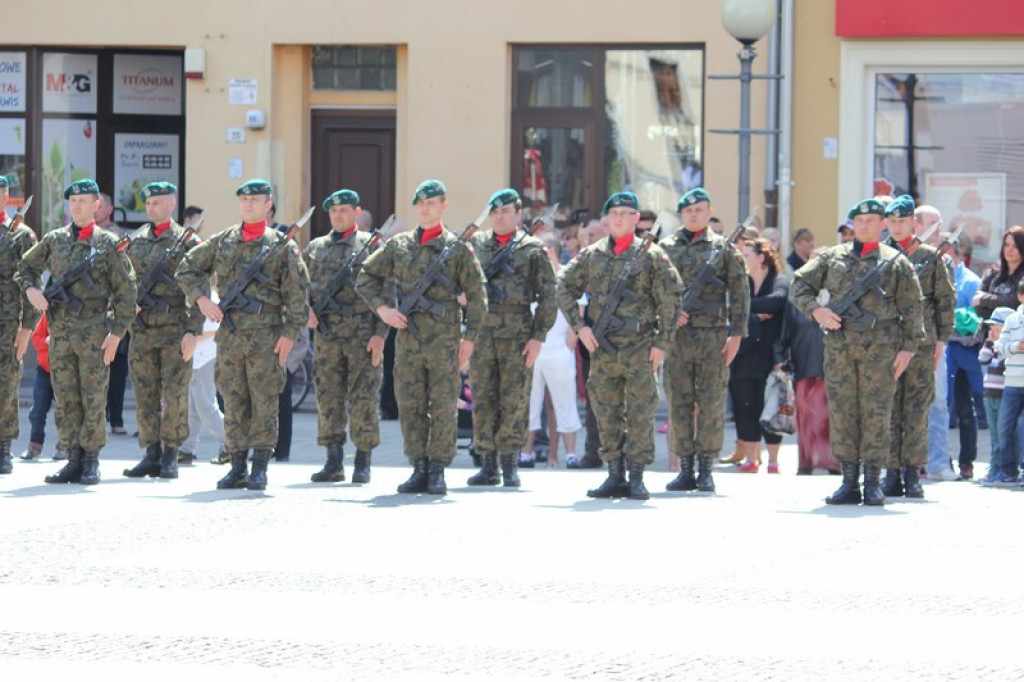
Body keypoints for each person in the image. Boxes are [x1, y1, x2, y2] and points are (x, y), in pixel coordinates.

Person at [175, 179, 309, 491]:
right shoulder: (223, 241)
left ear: (268, 205)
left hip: (267, 337)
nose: (248, 205)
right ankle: (237, 466)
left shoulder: (282, 246)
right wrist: (202, 300)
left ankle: (259, 467)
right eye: (244, 200)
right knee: (233, 401)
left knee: (264, 402)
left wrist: (289, 335)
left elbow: (297, 296)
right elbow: (187, 268)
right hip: (231, 337)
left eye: (255, 200)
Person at [355, 179, 487, 496]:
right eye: (421, 204)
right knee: (410, 405)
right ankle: (419, 467)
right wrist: (383, 310)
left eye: (431, 203)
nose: (425, 209)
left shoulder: (457, 249)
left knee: (442, 406)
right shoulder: (399, 246)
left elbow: (477, 296)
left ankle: (438, 469)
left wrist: (469, 339)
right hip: (409, 340)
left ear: (443, 205)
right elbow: (366, 277)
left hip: (445, 341)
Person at [790, 198, 923, 506]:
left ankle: (873, 482)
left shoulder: (896, 261)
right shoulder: (832, 257)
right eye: (859, 221)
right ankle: (849, 481)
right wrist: (817, 311)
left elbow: (912, 308)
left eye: (871, 221)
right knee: (843, 413)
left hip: (881, 349)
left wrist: (908, 348)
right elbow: (799, 286)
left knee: (877, 413)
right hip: (840, 347)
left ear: (882, 224)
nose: (864, 226)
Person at [555, 191, 681, 500]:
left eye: (626, 213)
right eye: (614, 214)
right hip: (603, 347)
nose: (619, 219)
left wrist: (662, 343)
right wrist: (580, 326)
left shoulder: (652, 255)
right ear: (606, 219)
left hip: (640, 346)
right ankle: (614, 474)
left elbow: (671, 301)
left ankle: (636, 476)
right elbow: (563, 286)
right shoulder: (592, 254)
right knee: (606, 411)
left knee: (640, 411)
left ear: (636, 219)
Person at [17, 179, 137, 485]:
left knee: (93, 399)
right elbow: (26, 267)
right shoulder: (55, 239)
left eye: (84, 201)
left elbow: (126, 291)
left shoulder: (109, 244)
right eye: (73, 201)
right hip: (60, 335)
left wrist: (116, 334)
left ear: (97, 205)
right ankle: (72, 459)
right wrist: (31, 290)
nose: (78, 206)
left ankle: (91, 461)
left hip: (95, 336)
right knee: (66, 398)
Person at [659, 188, 749, 492]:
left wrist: (737, 335)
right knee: (679, 402)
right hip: (677, 338)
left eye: (699, 210)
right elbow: (653, 291)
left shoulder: (724, 249)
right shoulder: (665, 248)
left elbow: (740, 293)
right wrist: (667, 316)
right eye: (688, 211)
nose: (693, 215)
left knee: (711, 402)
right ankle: (685, 467)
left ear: (709, 211)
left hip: (713, 337)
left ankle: (707, 468)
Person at [466, 188, 556, 487]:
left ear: (518, 214)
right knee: (483, 397)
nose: (499, 217)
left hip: (517, 331)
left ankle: (510, 463)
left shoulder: (532, 248)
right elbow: (461, 281)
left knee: (514, 399)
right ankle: (487, 464)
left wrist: (538, 336)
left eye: (505, 211)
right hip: (482, 331)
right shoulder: (476, 244)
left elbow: (548, 296)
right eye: (495, 212)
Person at [121, 182, 203, 480]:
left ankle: (171, 454)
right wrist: (127, 305)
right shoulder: (135, 241)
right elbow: (123, 280)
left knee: (175, 394)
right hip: (142, 330)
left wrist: (193, 331)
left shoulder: (188, 241)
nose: (151, 207)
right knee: (145, 395)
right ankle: (151, 453)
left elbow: (199, 289)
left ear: (171, 204)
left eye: (157, 202)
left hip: (175, 331)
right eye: (148, 203)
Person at [304, 188, 387, 484]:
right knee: (328, 398)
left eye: (344, 210)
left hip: (362, 334)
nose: (338, 215)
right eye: (334, 211)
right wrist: (304, 309)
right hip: (327, 335)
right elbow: (297, 284)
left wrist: (380, 335)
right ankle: (333, 461)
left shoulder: (371, 246)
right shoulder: (315, 248)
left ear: (356, 212)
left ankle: (363, 462)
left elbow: (387, 291)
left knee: (364, 398)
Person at [880, 195, 956, 498]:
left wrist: (943, 339)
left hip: (922, 345)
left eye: (903, 221)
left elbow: (945, 300)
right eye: (892, 221)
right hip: (886, 344)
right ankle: (891, 473)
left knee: (916, 410)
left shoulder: (928, 256)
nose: (897, 227)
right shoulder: (878, 256)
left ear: (913, 222)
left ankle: (912, 474)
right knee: (888, 410)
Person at [730, 238, 789, 473]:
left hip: (771, 355)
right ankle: (751, 459)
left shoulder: (779, 280)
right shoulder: (742, 282)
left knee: (771, 406)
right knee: (746, 407)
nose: (743, 260)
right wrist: (755, 314)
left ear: (761, 258)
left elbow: (777, 302)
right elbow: (731, 307)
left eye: (747, 256)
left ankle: (773, 461)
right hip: (743, 353)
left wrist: (746, 309)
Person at [523, 231, 581, 467]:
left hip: (559, 349)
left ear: (554, 251)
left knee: (564, 402)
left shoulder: (567, 277)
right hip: (533, 348)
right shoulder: (528, 279)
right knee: (529, 402)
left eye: (546, 251)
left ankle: (570, 454)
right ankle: (525, 453)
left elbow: (577, 313)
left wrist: (568, 347)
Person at [774, 266, 838, 475]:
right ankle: (807, 462)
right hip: (803, 367)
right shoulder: (796, 301)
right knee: (807, 416)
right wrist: (779, 359)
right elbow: (784, 333)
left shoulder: (840, 298)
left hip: (836, 369)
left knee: (832, 418)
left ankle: (835, 463)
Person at [0, 177, 38, 473]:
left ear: (6, 195)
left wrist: (27, 328)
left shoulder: (21, 234)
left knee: (6, 385)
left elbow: (32, 284)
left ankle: (3, 446)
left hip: (8, 324)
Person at [97, 192, 131, 435]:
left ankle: (116, 419)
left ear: (109, 209)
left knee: (117, 369)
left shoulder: (117, 235)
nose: (96, 209)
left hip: (115, 312)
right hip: (92, 313)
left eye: (101, 205)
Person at [179, 302, 227, 465]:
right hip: (194, 358)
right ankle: (186, 449)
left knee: (205, 406)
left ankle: (230, 443)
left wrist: (191, 338)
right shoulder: (194, 299)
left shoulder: (210, 300)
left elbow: (215, 329)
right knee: (192, 406)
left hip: (206, 357)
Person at [992, 282, 1024, 485]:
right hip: (1012, 382)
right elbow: (999, 346)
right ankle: (1008, 471)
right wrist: (1016, 346)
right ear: (1020, 296)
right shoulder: (1012, 320)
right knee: (1004, 427)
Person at [979, 306, 1013, 483]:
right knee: (994, 434)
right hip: (989, 394)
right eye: (991, 328)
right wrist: (988, 342)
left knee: (1003, 434)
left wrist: (998, 345)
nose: (993, 332)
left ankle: (1002, 467)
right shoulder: (991, 346)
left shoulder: (1007, 349)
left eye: (997, 328)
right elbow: (982, 359)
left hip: (1002, 395)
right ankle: (994, 466)